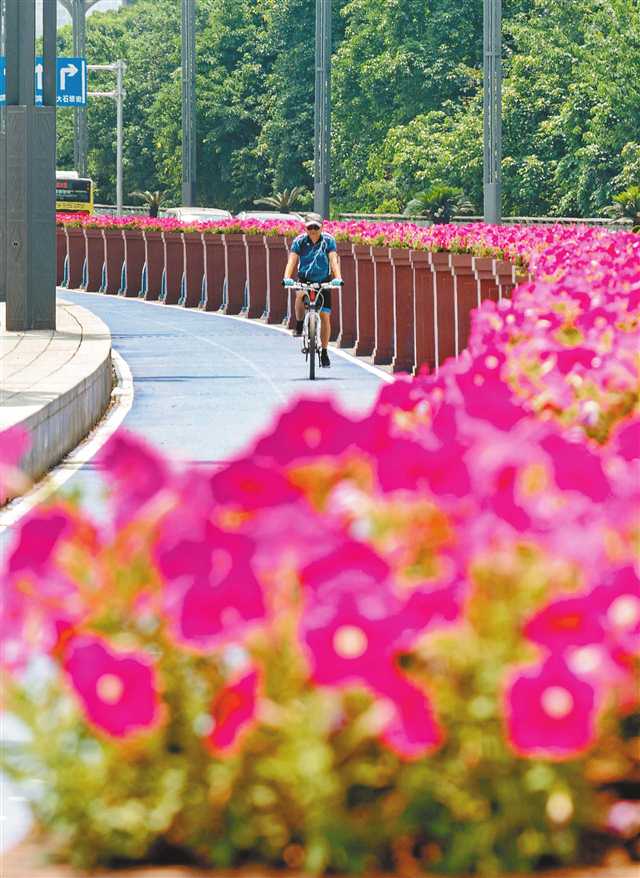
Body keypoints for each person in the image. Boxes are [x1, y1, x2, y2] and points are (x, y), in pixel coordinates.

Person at [283, 213, 342, 368]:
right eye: (310, 227)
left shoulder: (328, 240)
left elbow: (333, 260)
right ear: (306, 228)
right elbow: (292, 260)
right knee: (300, 294)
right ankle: (300, 323)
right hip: (305, 279)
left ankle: (324, 352)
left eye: (316, 227)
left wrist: (338, 277)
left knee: (325, 316)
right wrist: (287, 277)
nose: (313, 230)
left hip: (323, 281)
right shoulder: (299, 241)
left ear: (321, 227)